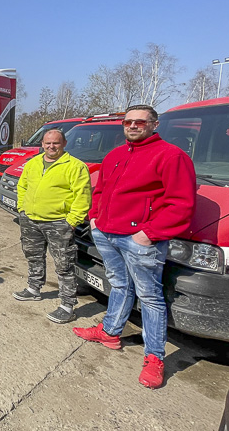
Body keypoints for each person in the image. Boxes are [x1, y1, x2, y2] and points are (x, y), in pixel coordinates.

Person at [73, 104, 196, 389]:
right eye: (128, 122)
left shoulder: (171, 156)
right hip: (106, 233)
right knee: (119, 285)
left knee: (150, 296)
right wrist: (95, 218)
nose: (133, 126)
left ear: (155, 124)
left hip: (139, 240)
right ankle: (110, 332)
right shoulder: (115, 155)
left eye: (141, 122)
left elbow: (181, 204)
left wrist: (149, 233)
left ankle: (154, 357)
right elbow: (101, 190)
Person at [12, 129, 91, 324]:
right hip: (30, 219)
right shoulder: (33, 163)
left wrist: (72, 221)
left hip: (58, 223)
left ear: (64, 143)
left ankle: (67, 305)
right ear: (42, 144)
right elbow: (22, 186)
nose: (51, 147)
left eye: (55, 143)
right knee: (33, 256)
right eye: (47, 143)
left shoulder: (75, 166)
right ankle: (34, 288)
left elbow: (82, 197)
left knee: (64, 264)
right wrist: (22, 208)